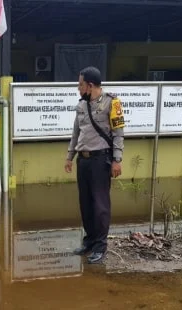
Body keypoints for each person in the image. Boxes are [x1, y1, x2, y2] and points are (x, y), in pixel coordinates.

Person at [64, 66, 125, 264]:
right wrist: (70, 157)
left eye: (80, 84)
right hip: (83, 161)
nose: (78, 88)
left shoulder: (112, 103)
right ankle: (89, 241)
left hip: (101, 160)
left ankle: (100, 246)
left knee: (100, 205)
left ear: (90, 85)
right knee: (86, 204)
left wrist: (117, 160)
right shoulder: (81, 105)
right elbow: (76, 133)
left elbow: (118, 134)